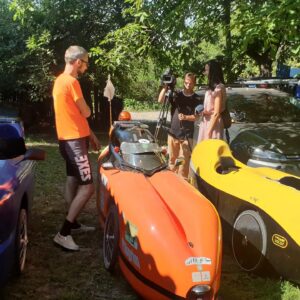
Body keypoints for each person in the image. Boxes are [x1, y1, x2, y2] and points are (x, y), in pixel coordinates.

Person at [52, 45, 101, 251]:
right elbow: (85, 112)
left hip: (69, 140)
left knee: (73, 179)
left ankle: (73, 223)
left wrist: (89, 134)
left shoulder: (59, 81)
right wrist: (88, 111)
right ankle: (63, 233)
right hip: (74, 143)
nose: (86, 67)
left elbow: (73, 115)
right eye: (86, 62)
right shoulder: (72, 82)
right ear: (78, 62)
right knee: (88, 186)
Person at [158, 73, 202, 179]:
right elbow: (160, 100)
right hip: (173, 133)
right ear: (184, 81)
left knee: (183, 163)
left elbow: (197, 117)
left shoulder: (197, 98)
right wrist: (165, 87)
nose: (188, 85)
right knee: (172, 161)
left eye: (190, 83)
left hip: (187, 135)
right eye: (186, 82)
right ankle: (171, 183)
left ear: (194, 84)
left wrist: (186, 117)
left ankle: (183, 184)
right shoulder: (176, 94)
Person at [197, 59, 226, 142]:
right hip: (206, 122)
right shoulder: (211, 88)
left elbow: (216, 113)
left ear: (213, 71)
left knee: (211, 153)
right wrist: (204, 111)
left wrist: (208, 132)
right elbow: (212, 108)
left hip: (213, 125)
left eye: (206, 70)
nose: (205, 73)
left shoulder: (219, 88)